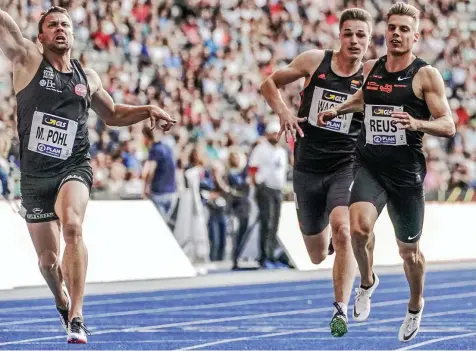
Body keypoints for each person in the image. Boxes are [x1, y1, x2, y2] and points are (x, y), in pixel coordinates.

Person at [0, 6, 175, 344]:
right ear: (41, 36)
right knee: (48, 262)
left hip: (73, 166)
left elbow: (112, 114)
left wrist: (147, 110)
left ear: (73, 33)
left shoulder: (87, 77)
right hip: (35, 176)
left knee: (72, 227)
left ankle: (77, 316)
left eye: (65, 24)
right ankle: (61, 300)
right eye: (52, 25)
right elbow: (5, 27)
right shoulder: (26, 60)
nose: (60, 29)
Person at [318, 2, 455, 342]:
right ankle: (366, 283)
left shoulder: (426, 75)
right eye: (392, 27)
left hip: (406, 176)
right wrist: (338, 109)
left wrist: (416, 122)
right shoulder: (375, 67)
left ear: (415, 36)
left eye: (404, 29)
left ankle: (414, 304)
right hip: (371, 166)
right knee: (358, 230)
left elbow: (449, 125)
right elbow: (365, 98)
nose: (396, 33)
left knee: (410, 253)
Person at [260, 8, 373, 337]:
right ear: (339, 35)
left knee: (343, 231)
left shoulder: (371, 77)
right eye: (349, 33)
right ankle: (331, 244)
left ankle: (340, 308)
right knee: (314, 255)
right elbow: (269, 83)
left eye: (361, 35)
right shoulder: (314, 61)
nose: (354, 40)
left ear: (368, 41)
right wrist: (283, 112)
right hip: (308, 167)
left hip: (346, 165)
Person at [248, 122, 288, 269]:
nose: (275, 136)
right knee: (267, 222)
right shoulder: (261, 149)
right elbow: (253, 168)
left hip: (278, 189)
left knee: (275, 223)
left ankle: (271, 254)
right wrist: (257, 185)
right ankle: (264, 256)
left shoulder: (281, 151)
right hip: (265, 188)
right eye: (273, 133)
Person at [142, 127, 177, 228]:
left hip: (159, 193)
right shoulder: (167, 147)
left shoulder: (155, 150)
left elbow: (150, 170)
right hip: (172, 192)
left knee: (159, 226)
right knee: (165, 224)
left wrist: (145, 187)